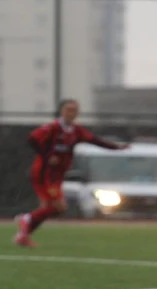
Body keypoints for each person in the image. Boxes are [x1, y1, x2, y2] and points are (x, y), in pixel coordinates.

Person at [13, 99, 128, 248]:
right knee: (59, 207)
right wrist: (48, 156)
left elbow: (95, 141)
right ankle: (25, 219)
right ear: (61, 111)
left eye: (74, 110)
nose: (72, 113)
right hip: (45, 173)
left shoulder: (76, 131)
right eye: (68, 109)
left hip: (56, 175)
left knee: (47, 209)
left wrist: (116, 147)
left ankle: (23, 235)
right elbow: (32, 139)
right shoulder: (53, 127)